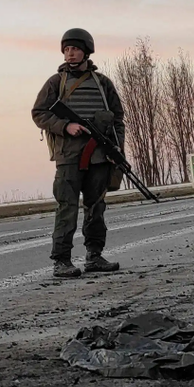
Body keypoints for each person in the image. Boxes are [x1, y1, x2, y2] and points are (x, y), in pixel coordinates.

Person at [31, 28, 125, 278]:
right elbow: (39, 113)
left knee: (96, 207)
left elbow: (118, 118)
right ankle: (61, 261)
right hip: (69, 156)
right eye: (66, 50)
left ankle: (94, 256)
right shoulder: (55, 83)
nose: (70, 54)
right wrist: (65, 125)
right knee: (67, 208)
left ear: (86, 51)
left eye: (74, 49)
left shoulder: (102, 83)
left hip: (98, 156)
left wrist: (117, 149)